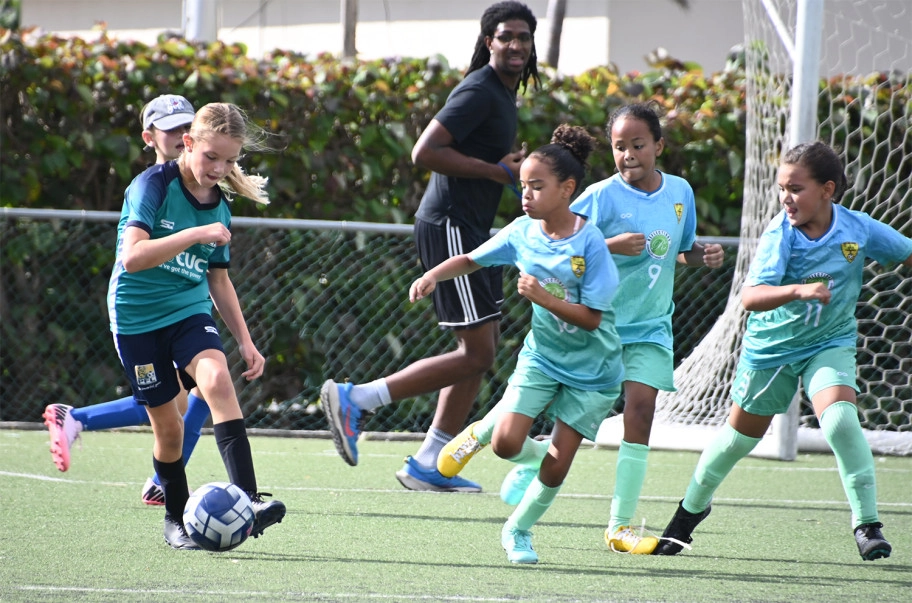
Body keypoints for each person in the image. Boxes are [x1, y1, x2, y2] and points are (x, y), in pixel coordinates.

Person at [321, 1, 541, 493]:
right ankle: (357, 399)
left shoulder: (503, 95)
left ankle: (430, 462)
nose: (516, 46)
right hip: (450, 227)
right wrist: (495, 171)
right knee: (477, 353)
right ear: (489, 41)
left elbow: (475, 155)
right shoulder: (481, 89)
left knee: (477, 352)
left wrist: (505, 166)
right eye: (506, 37)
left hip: (472, 230)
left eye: (524, 38)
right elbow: (425, 151)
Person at [652, 141, 906, 561]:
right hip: (772, 351)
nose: (786, 198)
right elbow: (750, 297)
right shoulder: (780, 232)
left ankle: (868, 525)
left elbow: (906, 251)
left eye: (796, 189)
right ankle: (687, 515)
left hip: (829, 342)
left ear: (828, 189)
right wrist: (799, 289)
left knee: (841, 419)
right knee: (736, 441)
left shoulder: (857, 228)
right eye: (781, 188)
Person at [420, 124, 625, 564]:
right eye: (523, 186)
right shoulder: (521, 231)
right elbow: (472, 258)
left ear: (567, 189)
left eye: (537, 186)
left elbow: (592, 320)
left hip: (595, 372)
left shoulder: (591, 244)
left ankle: (518, 531)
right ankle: (485, 431)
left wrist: (543, 297)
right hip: (544, 359)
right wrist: (434, 274)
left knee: (557, 462)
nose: (526, 195)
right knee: (507, 446)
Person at [107, 102, 285, 549]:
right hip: (137, 319)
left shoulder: (219, 205)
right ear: (188, 143)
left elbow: (219, 280)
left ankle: (249, 499)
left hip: (188, 310)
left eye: (230, 161)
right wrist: (195, 234)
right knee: (169, 430)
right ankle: (175, 519)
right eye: (212, 158)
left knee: (218, 378)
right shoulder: (152, 185)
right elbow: (133, 257)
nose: (220, 168)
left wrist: (245, 340)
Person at [43, 94, 213, 508]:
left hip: (180, 305)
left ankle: (82, 422)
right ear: (149, 136)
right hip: (145, 311)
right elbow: (135, 256)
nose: (179, 135)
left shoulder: (202, 182)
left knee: (185, 397)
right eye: (170, 128)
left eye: (185, 127)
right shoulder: (151, 185)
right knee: (178, 400)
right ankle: (160, 479)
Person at [569, 102, 724, 554]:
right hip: (599, 324)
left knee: (640, 412)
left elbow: (680, 250)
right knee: (573, 422)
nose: (629, 154)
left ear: (658, 145)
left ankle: (619, 525)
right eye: (619, 147)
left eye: (638, 144)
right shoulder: (599, 196)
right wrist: (611, 244)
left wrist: (702, 256)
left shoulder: (680, 193)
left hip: (651, 327)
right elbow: (559, 247)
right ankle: (493, 437)